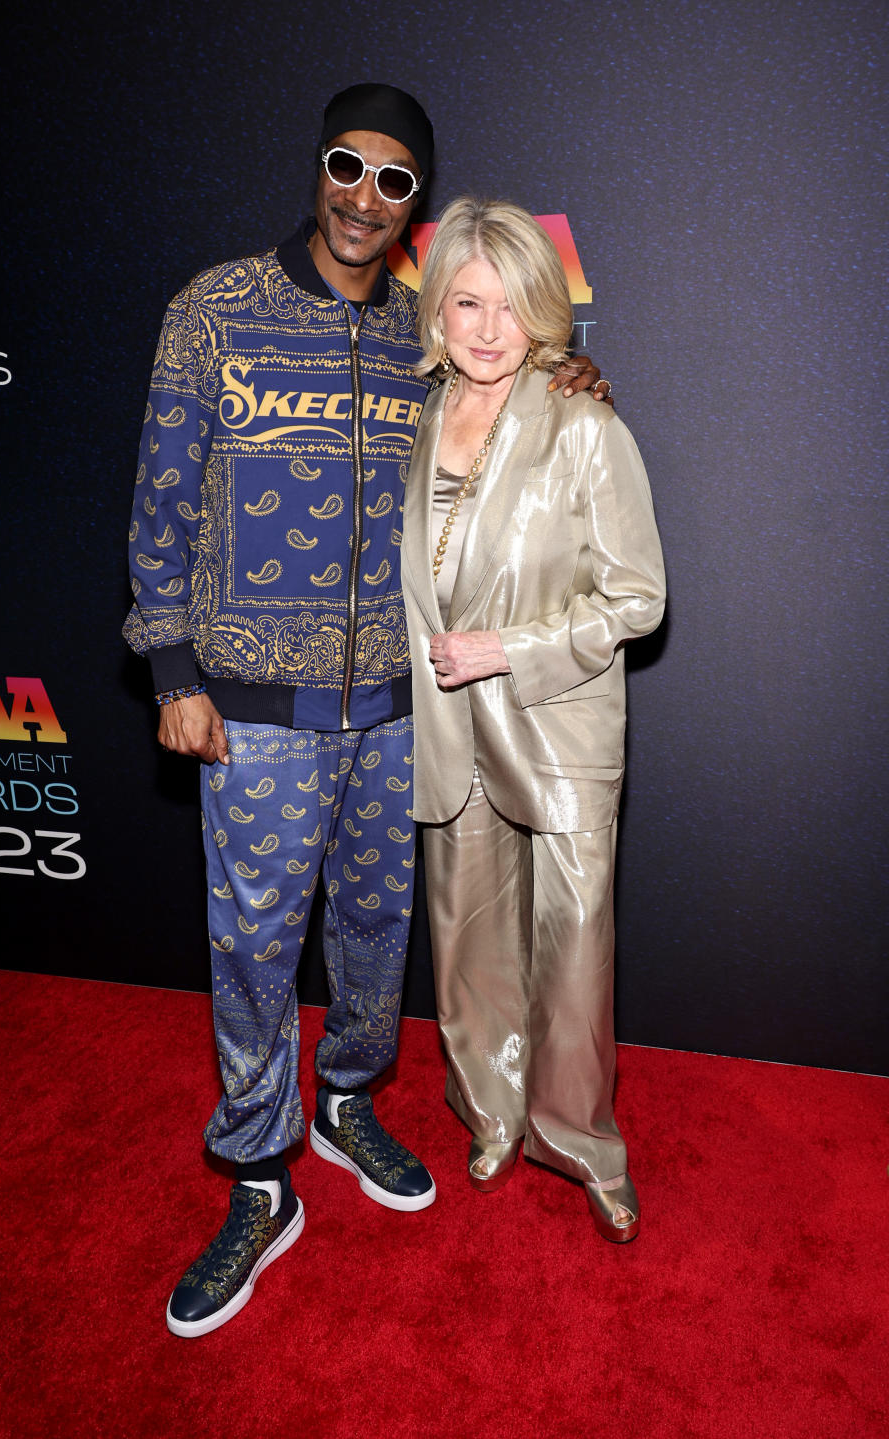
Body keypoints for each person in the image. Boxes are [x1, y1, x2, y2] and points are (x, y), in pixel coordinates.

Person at [125, 87, 609, 1338]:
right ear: (321, 166)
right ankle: (256, 1171)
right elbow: (164, 496)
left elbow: (510, 401)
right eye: (350, 165)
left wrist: (571, 375)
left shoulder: (428, 332)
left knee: (376, 931)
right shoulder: (213, 310)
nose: (366, 194)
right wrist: (173, 669)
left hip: (405, 709)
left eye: (398, 181)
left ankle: (347, 1097)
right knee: (251, 948)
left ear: (414, 207)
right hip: (254, 706)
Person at [401, 197, 665, 1242]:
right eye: (466, 300)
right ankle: (493, 1110)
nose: (487, 326)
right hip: (445, 731)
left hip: (555, 730)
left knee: (573, 952)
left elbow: (638, 598)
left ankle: (584, 1139)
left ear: (545, 312)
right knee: (465, 947)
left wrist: (506, 647)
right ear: (438, 310)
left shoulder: (584, 421)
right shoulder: (413, 411)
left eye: (511, 305)